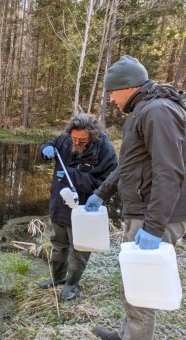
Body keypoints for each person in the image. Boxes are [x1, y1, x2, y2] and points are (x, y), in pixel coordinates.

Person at [85, 55, 186, 340]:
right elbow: (130, 165)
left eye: (112, 92)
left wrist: (153, 227)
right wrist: (101, 193)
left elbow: (169, 171)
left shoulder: (157, 112)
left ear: (127, 86)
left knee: (142, 284)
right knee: (134, 278)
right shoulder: (143, 111)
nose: (111, 99)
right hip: (143, 211)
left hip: (154, 215)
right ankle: (127, 334)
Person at [39, 114, 118, 301]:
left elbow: (108, 182)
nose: (76, 141)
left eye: (82, 139)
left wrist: (73, 175)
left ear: (93, 136)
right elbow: (47, 144)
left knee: (80, 250)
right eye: (74, 138)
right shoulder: (64, 140)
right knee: (58, 245)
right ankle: (57, 278)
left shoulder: (105, 150)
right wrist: (45, 149)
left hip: (85, 210)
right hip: (60, 205)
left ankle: (71, 285)